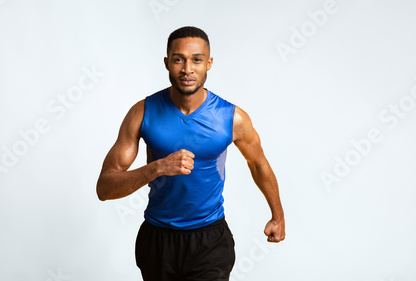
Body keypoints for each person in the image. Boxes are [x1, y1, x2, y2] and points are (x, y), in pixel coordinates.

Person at [96, 26, 285, 281]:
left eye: (196, 60)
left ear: (209, 63)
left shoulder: (232, 118)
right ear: (167, 63)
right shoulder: (142, 113)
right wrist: (157, 168)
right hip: (157, 239)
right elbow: (105, 188)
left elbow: (258, 164)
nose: (187, 69)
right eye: (178, 59)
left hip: (210, 240)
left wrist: (278, 216)